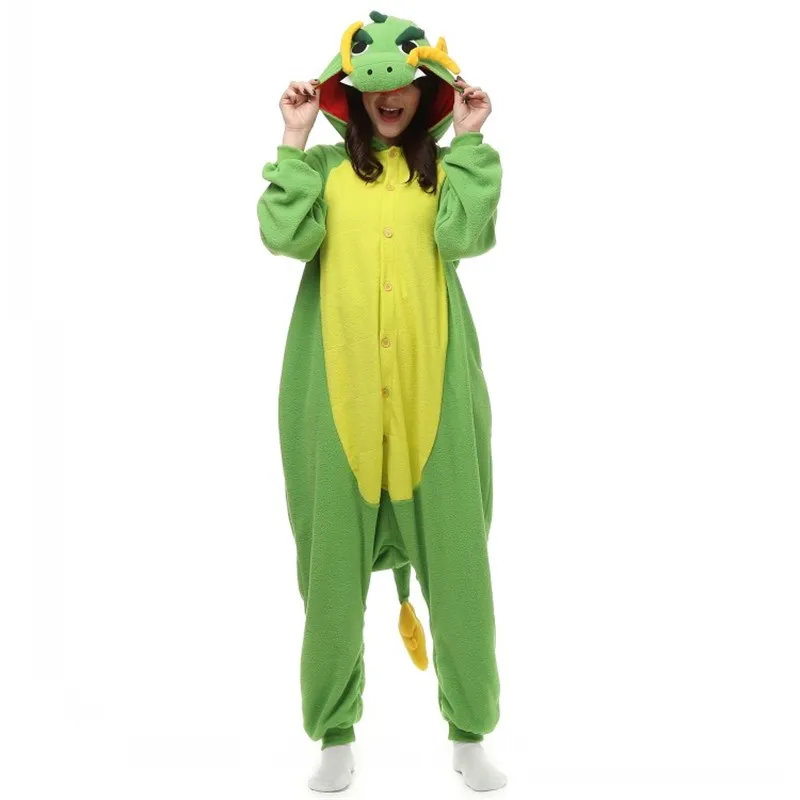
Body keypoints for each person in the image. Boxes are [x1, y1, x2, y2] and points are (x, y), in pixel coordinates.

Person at [256, 10, 506, 792]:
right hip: (339, 402)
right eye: (374, 86)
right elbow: (284, 236)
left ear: (424, 92)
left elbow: (464, 238)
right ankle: (335, 733)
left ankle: (470, 732)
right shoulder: (326, 170)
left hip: (435, 399)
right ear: (354, 93)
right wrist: (294, 135)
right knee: (330, 576)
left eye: (404, 85)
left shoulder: (446, 172)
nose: (388, 97)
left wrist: (471, 138)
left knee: (460, 573)